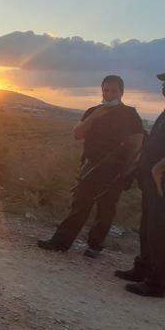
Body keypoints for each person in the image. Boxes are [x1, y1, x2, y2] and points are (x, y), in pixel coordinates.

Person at [38, 75, 144, 258]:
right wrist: (95, 116)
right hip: (91, 167)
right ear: (102, 90)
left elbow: (137, 143)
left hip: (115, 170)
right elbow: (77, 134)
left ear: (122, 92)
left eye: (113, 90)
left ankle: (95, 246)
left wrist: (126, 170)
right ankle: (61, 242)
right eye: (106, 90)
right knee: (79, 205)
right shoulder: (93, 111)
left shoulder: (130, 114)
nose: (109, 94)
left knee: (106, 209)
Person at [117, 72, 165, 297]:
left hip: (160, 182)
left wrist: (157, 169)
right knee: (148, 227)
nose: (163, 87)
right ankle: (144, 268)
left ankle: (158, 283)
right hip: (151, 181)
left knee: (159, 231)